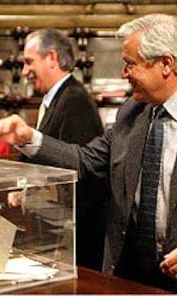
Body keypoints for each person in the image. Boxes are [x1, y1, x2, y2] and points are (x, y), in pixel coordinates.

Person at [0, 14, 177, 293]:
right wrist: (29, 138)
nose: (123, 74)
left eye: (130, 64)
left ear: (166, 63)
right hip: (134, 278)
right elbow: (86, 161)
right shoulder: (133, 112)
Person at [16, 28, 108, 271]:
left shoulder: (74, 99)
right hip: (54, 229)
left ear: (52, 58)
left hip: (74, 238)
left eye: (28, 62)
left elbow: (78, 168)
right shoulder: (56, 98)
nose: (24, 71)